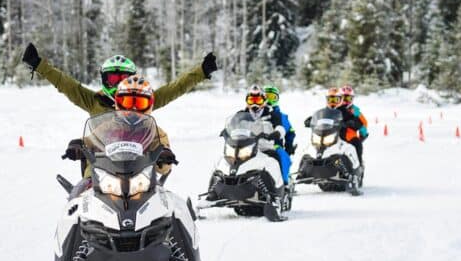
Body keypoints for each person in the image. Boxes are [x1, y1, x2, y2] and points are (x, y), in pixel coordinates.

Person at [21, 43, 218, 116]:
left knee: (158, 187)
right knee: (82, 191)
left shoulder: (142, 101)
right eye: (113, 78)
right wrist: (39, 65)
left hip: (137, 162)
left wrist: (201, 71)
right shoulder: (93, 100)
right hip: (100, 165)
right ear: (104, 79)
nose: (117, 84)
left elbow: (175, 88)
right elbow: (65, 83)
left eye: (123, 78)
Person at [67, 75, 178, 197]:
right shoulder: (110, 127)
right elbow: (92, 140)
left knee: (167, 200)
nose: (134, 109)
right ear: (118, 103)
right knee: (79, 195)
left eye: (140, 103)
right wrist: (78, 145)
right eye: (127, 102)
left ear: (150, 104)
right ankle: (72, 212)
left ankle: (179, 215)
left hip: (143, 181)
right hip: (107, 179)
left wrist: (164, 155)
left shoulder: (154, 131)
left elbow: (163, 150)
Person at [263, 85, 296, 155]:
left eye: (272, 97)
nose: (269, 100)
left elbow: (290, 132)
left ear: (277, 99)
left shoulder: (281, 116)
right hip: (256, 150)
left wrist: (289, 146)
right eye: (266, 97)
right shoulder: (256, 113)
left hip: (274, 150)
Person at [339, 85, 368, 164]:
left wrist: (363, 134)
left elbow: (364, 123)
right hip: (335, 135)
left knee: (357, 144)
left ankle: (358, 165)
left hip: (350, 137)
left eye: (348, 98)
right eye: (343, 97)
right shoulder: (335, 108)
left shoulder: (354, 110)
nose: (346, 100)